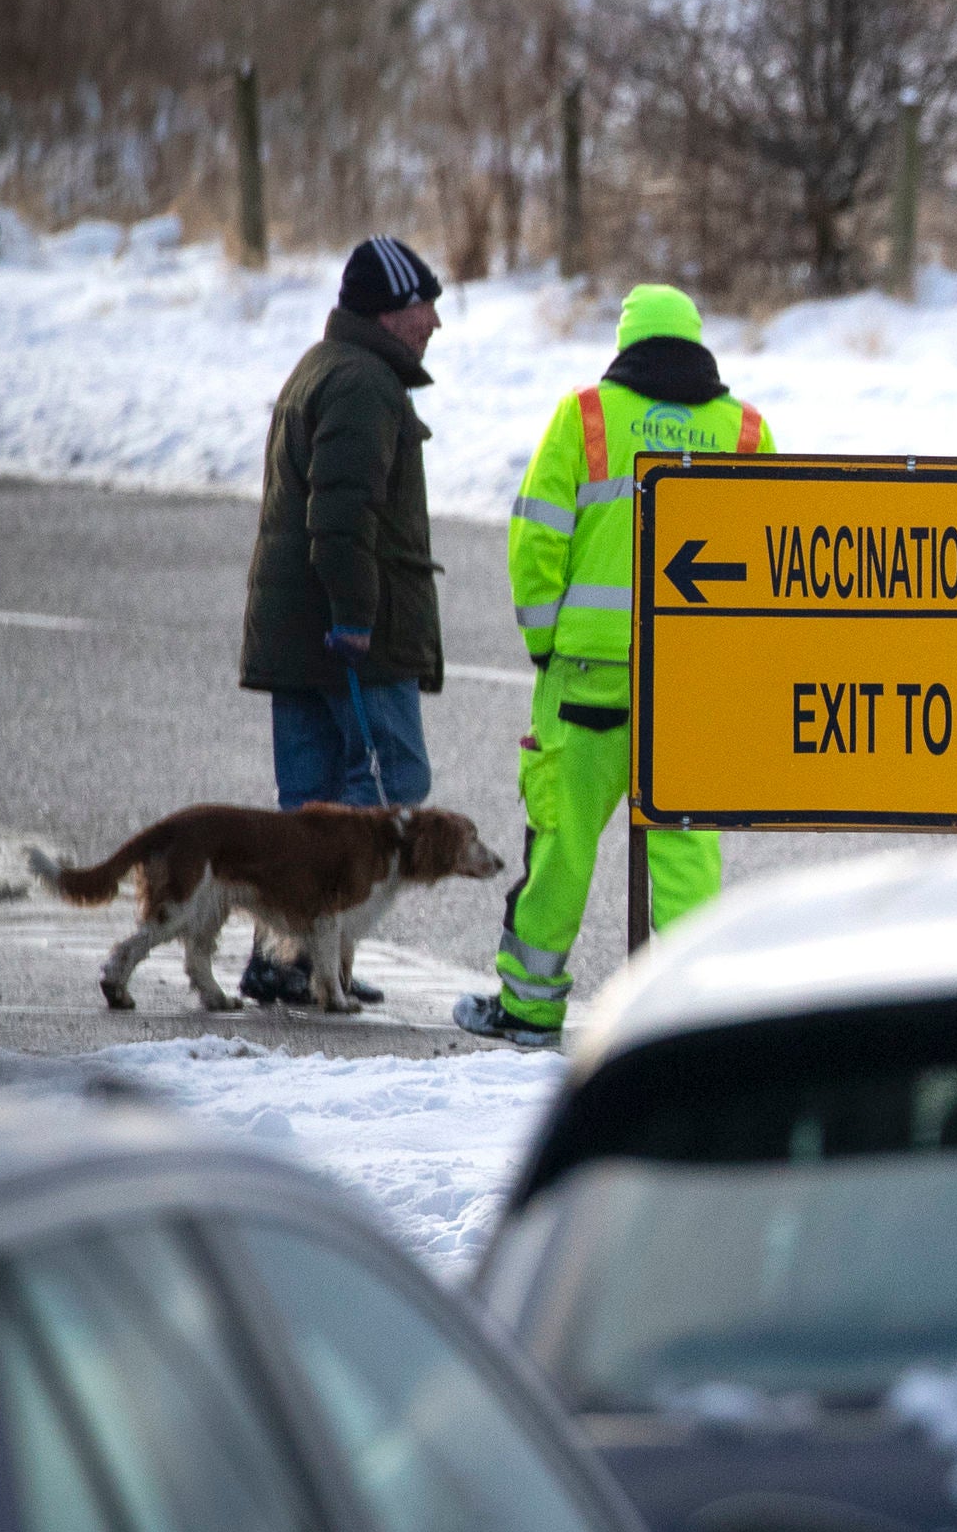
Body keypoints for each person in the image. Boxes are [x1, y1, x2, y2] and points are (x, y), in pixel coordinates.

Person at [453, 285, 770, 1049]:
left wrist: (544, 644)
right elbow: (777, 557)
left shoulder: (586, 416)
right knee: (687, 845)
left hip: (587, 679)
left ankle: (529, 1007)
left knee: (561, 842)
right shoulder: (747, 431)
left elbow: (536, 540)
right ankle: (695, 1016)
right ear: (697, 343)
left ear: (626, 342)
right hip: (692, 685)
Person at [235, 234, 447, 1008]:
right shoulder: (362, 383)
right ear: (390, 312)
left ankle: (289, 955)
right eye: (424, 305)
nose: (433, 322)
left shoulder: (327, 367)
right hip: (347, 637)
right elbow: (343, 513)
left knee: (310, 804)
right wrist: (357, 615)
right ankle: (306, 955)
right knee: (389, 785)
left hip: (298, 636)